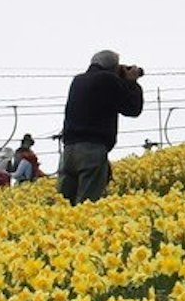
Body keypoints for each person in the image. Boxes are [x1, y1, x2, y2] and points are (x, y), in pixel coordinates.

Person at [59, 49, 144, 201]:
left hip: (68, 152)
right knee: (87, 204)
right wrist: (132, 82)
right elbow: (133, 108)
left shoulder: (78, 80)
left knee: (64, 206)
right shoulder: (107, 79)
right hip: (91, 151)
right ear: (113, 67)